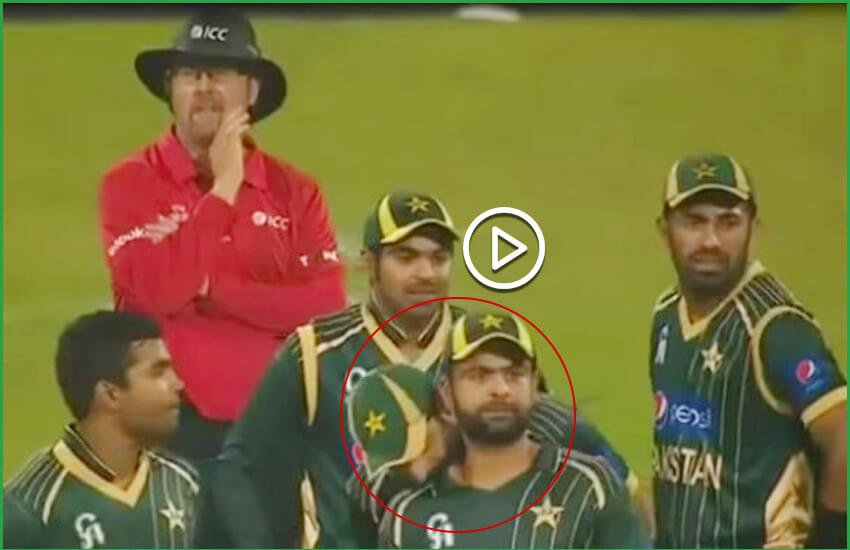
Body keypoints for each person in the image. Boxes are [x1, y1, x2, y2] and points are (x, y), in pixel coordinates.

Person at [213, 191, 638, 548]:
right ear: (370, 263)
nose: (426, 273)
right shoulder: (316, 352)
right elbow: (241, 466)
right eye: (407, 257)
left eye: (438, 258)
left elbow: (548, 436)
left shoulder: (482, 350)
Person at [98, 10, 346, 461]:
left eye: (221, 73)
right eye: (191, 74)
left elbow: (325, 309)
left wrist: (212, 287)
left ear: (251, 91)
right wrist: (225, 188)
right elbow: (158, 291)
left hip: (274, 425)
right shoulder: (130, 183)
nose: (204, 87)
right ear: (170, 89)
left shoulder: (295, 191)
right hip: (166, 428)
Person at [650, 154, 847, 548]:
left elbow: (843, 435)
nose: (711, 240)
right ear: (665, 230)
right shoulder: (667, 314)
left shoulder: (776, 329)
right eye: (694, 222)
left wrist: (829, 540)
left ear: (752, 229)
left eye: (728, 222)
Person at [353, 310, 648, 548]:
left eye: (514, 374)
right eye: (479, 375)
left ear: (534, 387)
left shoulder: (587, 489)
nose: (500, 388)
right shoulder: (409, 518)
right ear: (446, 394)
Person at [3, 311, 199, 548]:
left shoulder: (183, 483)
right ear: (110, 394)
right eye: (158, 372)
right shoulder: (30, 507)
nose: (178, 384)